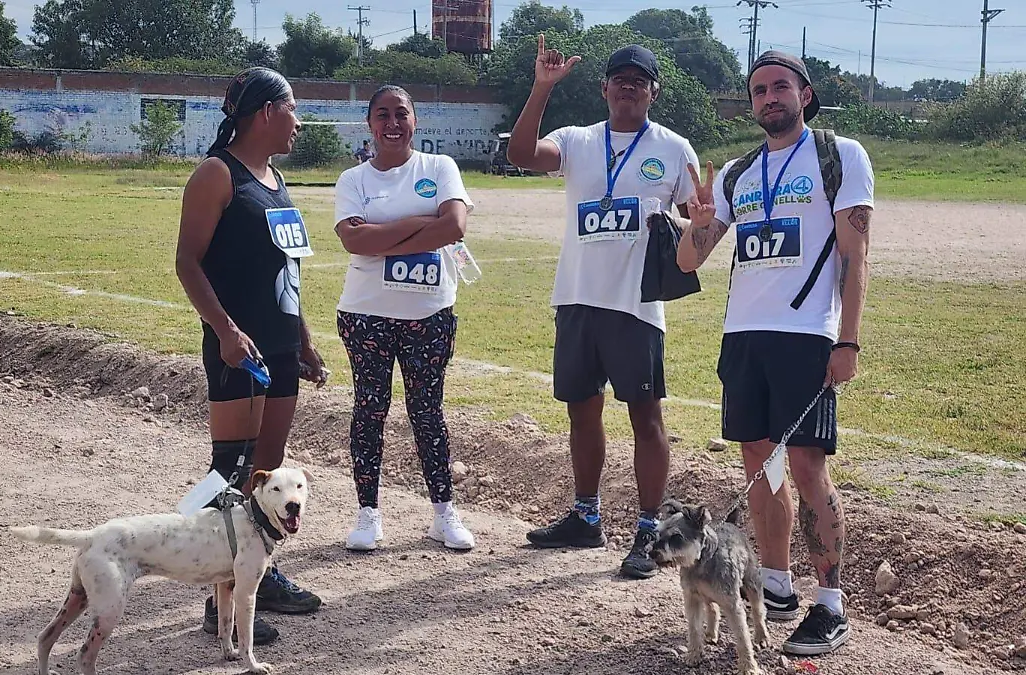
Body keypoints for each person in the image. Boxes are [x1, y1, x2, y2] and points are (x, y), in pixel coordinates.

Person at [677, 50, 873, 656]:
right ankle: (778, 584)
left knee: (810, 470)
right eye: (759, 90)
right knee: (760, 466)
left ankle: (830, 603)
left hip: (807, 335)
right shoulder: (738, 172)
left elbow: (856, 256)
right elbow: (690, 261)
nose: (769, 98)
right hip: (744, 337)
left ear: (804, 95)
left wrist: (847, 338)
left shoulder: (838, 155)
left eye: (780, 87)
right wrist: (696, 224)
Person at [505, 36, 699, 580]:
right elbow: (521, 155)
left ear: (653, 92)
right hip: (576, 297)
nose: (629, 86)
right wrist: (542, 89)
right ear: (604, 88)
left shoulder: (673, 149)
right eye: (620, 78)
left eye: (640, 79)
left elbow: (695, 227)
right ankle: (586, 516)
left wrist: (697, 223)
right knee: (581, 410)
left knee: (646, 417)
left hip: (636, 305)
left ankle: (648, 531)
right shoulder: (577, 140)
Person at [175, 66, 329, 645]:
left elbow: (285, 269)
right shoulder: (217, 175)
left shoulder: (276, 178)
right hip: (236, 347)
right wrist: (224, 330)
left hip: (281, 346)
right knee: (229, 470)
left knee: (266, 470)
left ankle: (257, 573)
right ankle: (219, 598)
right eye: (293, 109)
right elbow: (187, 263)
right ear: (266, 112)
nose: (298, 122)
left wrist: (305, 341)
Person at [332, 84, 477, 552]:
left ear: (416, 120)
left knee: (427, 412)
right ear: (369, 124)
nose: (392, 123)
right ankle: (367, 514)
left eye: (401, 113)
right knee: (369, 410)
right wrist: (420, 224)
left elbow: (454, 226)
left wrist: (382, 235)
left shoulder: (440, 168)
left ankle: (442, 513)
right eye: (382, 115)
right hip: (365, 315)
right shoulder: (353, 180)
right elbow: (354, 242)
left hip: (429, 313)